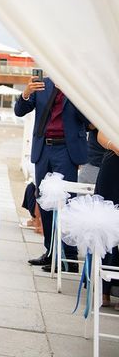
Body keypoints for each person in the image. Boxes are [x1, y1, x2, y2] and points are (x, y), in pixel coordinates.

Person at [14, 75, 88, 272]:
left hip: (66, 149)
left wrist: (72, 92)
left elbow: (86, 119)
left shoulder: (79, 86)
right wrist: (26, 93)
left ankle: (69, 258)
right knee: (44, 202)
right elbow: (19, 111)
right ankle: (51, 253)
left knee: (67, 202)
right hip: (43, 149)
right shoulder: (42, 84)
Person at [96, 130, 119, 308]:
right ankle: (104, 289)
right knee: (106, 226)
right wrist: (115, 146)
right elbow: (101, 135)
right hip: (113, 167)